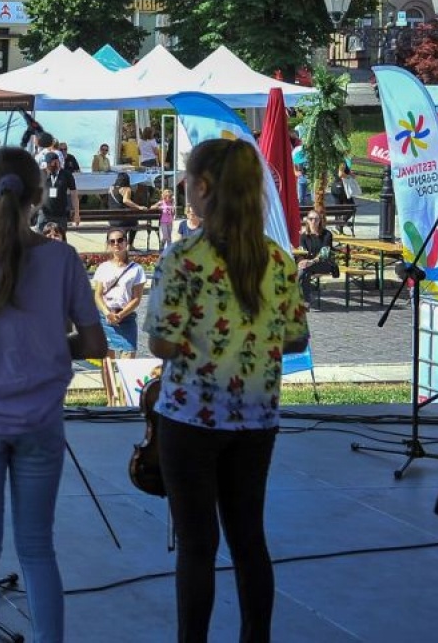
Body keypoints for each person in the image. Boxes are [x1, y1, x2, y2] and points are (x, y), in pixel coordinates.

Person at [0, 147, 108, 643]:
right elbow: (95, 344)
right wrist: (48, 346)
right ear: (38, 195)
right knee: (37, 549)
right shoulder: (64, 259)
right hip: (41, 425)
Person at [146, 138, 309, 643]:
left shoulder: (183, 258)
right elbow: (296, 336)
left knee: (197, 546)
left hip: (191, 419)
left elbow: (162, 343)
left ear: (202, 188)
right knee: (248, 540)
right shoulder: (278, 261)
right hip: (257, 420)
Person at [93, 230, 147, 397]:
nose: (116, 244)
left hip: (126, 317)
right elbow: (98, 294)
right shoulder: (103, 268)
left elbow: (137, 298)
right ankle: (110, 398)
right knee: (107, 362)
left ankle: (125, 398)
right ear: (108, 245)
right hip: (105, 317)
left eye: (120, 240)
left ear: (126, 243)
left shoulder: (136, 269)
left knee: (128, 359)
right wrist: (107, 313)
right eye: (112, 241)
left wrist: (121, 314)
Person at [296, 211, 338, 302]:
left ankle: (299, 299)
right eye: (311, 219)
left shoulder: (327, 234)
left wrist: (311, 261)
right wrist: (301, 261)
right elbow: (301, 252)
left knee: (303, 271)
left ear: (320, 221)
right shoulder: (303, 236)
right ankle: (306, 301)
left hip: (324, 263)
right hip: (308, 265)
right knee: (304, 271)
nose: (313, 221)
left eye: (316, 219)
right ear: (307, 220)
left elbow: (324, 253)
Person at [38, 151, 79, 233]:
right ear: (47, 163)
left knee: (60, 240)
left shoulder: (66, 174)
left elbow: (74, 194)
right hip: (45, 214)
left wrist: (77, 213)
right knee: (41, 241)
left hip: (61, 214)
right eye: (51, 164)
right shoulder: (41, 174)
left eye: (56, 162)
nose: (54, 165)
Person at [108, 171, 149, 251]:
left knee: (130, 222)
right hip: (122, 220)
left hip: (112, 219)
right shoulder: (126, 189)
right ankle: (130, 245)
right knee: (135, 223)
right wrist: (138, 207)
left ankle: (116, 246)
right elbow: (126, 200)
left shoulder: (110, 188)